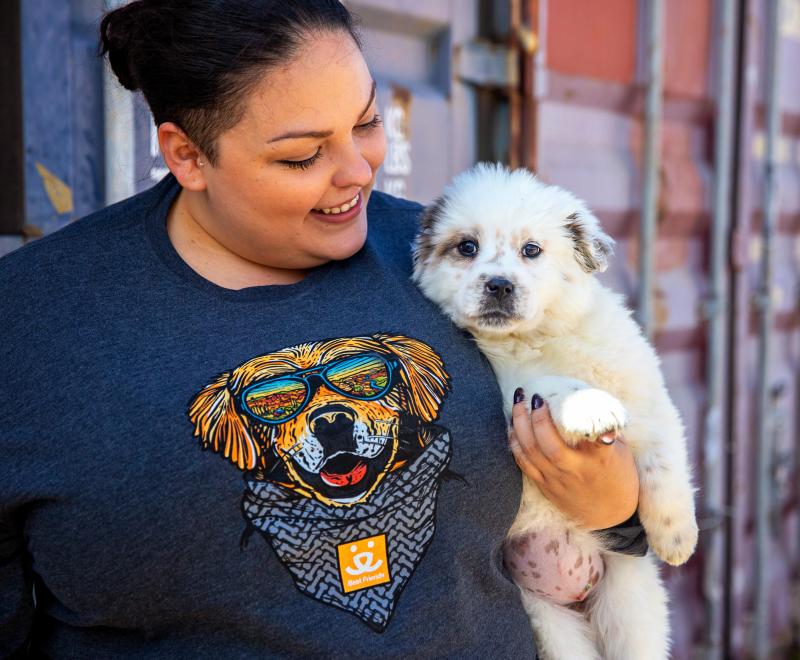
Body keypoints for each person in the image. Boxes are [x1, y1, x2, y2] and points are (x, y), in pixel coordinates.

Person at [0, 1, 645, 656]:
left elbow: (616, 482)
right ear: (187, 155)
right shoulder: (28, 323)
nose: (359, 171)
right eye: (303, 156)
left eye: (367, 121)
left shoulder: (448, 255)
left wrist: (618, 511)